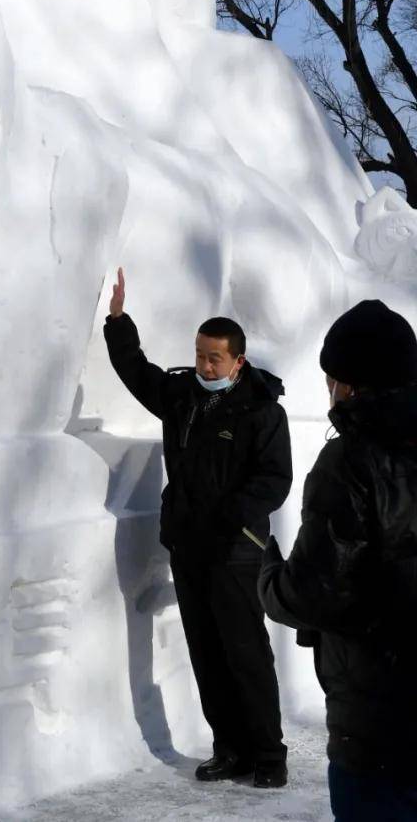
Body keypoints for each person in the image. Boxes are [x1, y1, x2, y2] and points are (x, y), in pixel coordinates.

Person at [104, 266, 292, 788]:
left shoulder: (261, 411)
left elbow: (274, 480)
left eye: (215, 357)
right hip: (188, 548)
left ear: (238, 360)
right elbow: (138, 373)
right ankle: (229, 749)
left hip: (236, 550)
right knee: (206, 653)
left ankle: (268, 755)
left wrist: (229, 518)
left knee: (245, 652)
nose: (205, 363)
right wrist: (119, 323)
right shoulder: (183, 395)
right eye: (200, 354)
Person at [258, 298, 417, 822]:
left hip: (378, 725)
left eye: (333, 379)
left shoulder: (351, 458)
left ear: (350, 384)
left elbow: (314, 593)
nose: (329, 391)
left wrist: (268, 578)